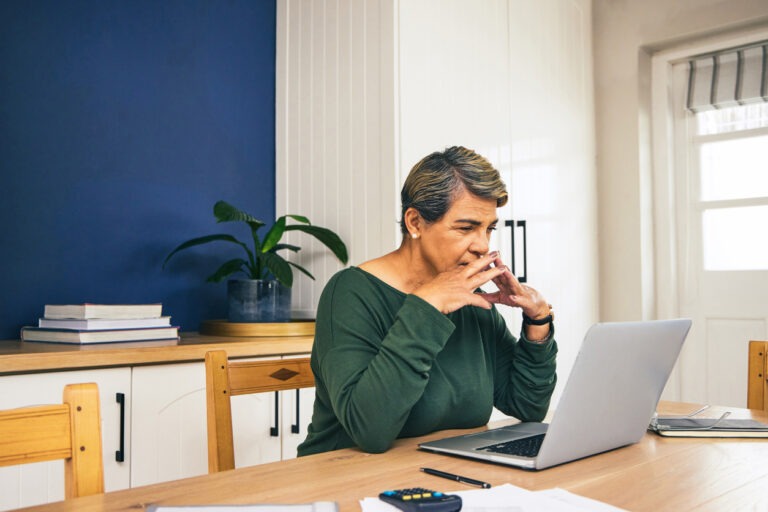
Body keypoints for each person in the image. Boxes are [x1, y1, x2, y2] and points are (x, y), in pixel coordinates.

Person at [297, 146, 557, 456]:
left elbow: (527, 406)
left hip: (438, 472)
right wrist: (427, 308)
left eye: (489, 229)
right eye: (466, 228)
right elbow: (371, 432)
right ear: (415, 223)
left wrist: (537, 321)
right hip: (343, 480)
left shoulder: (470, 297)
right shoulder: (351, 293)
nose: (483, 246)